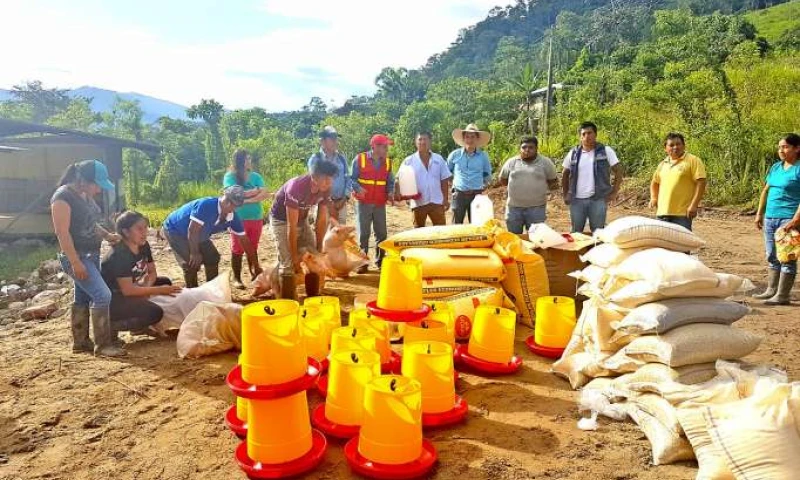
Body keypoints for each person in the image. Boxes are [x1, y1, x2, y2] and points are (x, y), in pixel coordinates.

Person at [51, 159, 126, 357]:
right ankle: (103, 345)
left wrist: (107, 236)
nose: (99, 191)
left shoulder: (83, 195)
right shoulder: (62, 197)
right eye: (97, 185)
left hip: (91, 254)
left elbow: (90, 223)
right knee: (103, 295)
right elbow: (62, 233)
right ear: (83, 181)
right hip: (78, 256)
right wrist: (75, 262)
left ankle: (81, 342)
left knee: (83, 296)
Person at [101, 211, 182, 343]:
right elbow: (128, 290)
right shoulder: (119, 255)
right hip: (115, 299)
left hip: (131, 289)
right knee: (155, 313)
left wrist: (147, 287)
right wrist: (158, 290)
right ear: (126, 232)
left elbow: (152, 272)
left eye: (145, 227)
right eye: (139, 229)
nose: (144, 232)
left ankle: (138, 326)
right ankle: (112, 326)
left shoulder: (143, 246)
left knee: (164, 281)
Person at [161, 186, 261, 288]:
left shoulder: (232, 217)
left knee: (212, 257)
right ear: (225, 199)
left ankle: (211, 289)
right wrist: (194, 253)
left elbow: (245, 241)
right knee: (191, 263)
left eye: (236, 206)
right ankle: (192, 292)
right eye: (231, 203)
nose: (233, 208)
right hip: (175, 229)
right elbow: (192, 230)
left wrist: (256, 266)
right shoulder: (206, 206)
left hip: (198, 234)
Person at [269, 160, 338, 297]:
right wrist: (294, 257)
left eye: (331, 179)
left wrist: (319, 250)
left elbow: (321, 221)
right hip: (281, 221)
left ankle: (312, 297)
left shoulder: (326, 189)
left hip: (302, 219)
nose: (329, 182)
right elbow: (291, 227)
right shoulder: (296, 187)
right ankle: (288, 302)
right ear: (314, 177)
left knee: (314, 258)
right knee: (288, 264)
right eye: (325, 179)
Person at [753, 133, 800, 305]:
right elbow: (766, 190)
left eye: (785, 146)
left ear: (797, 148)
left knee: (787, 256)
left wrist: (795, 220)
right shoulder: (776, 167)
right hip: (770, 217)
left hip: (788, 218)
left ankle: (782, 295)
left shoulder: (798, 169)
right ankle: (771, 289)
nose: (781, 150)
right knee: (771, 255)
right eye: (779, 147)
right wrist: (760, 213)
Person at [561, 121, 624, 233]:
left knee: (598, 232)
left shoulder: (605, 151)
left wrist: (614, 192)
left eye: (589, 133)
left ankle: (597, 250)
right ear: (580, 137)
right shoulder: (573, 153)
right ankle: (579, 251)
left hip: (598, 199)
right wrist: (566, 194)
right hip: (577, 200)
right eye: (583, 134)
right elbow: (565, 174)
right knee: (576, 232)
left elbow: (618, 171)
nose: (586, 137)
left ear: (595, 134)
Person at [223, 149, 269, 289]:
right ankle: (237, 278)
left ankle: (254, 272)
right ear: (240, 161)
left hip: (256, 217)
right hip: (238, 217)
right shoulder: (230, 176)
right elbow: (232, 194)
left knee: (253, 246)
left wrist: (245, 199)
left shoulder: (256, 176)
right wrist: (253, 192)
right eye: (247, 159)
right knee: (237, 248)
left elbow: (264, 193)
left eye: (250, 158)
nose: (249, 161)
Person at [351, 134, 396, 272]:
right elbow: (351, 179)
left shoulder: (388, 162)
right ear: (374, 146)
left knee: (381, 234)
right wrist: (358, 188)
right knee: (363, 233)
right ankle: (362, 263)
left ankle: (380, 262)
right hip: (363, 203)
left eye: (387, 146)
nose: (386, 149)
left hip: (379, 203)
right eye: (384, 146)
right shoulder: (360, 159)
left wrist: (390, 192)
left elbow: (390, 181)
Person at [499, 136, 558, 234]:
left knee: (536, 240)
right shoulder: (511, 162)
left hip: (537, 208)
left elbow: (553, 181)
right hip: (514, 208)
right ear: (520, 148)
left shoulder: (545, 162)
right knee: (514, 238)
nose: (527, 150)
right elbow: (503, 179)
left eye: (531, 147)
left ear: (536, 148)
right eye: (524, 147)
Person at [649, 133, 707, 231]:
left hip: (682, 214)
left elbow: (701, 182)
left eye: (678, 144)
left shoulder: (693, 160)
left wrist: (694, 205)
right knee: (662, 243)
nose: (675, 147)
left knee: (682, 244)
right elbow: (655, 182)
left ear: (684, 145)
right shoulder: (663, 164)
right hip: (662, 213)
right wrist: (654, 198)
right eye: (671, 145)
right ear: (665, 148)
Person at [398, 132, 451, 228]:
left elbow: (444, 180)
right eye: (420, 139)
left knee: (441, 231)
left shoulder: (438, 159)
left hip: (437, 201)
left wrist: (445, 199)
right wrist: (405, 195)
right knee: (418, 232)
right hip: (418, 203)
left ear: (430, 141)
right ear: (415, 142)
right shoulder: (408, 161)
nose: (422, 142)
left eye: (425, 139)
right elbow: (399, 179)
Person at [447, 123, 493, 224]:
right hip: (459, 194)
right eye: (467, 136)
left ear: (477, 139)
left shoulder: (483, 156)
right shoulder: (455, 155)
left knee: (476, 224)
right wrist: (454, 184)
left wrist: (483, 186)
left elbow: (487, 174)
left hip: (476, 195)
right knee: (456, 225)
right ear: (464, 138)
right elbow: (447, 171)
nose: (470, 139)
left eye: (473, 136)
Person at [308, 126, 351, 225]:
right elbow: (313, 183)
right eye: (332, 139)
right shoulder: (315, 159)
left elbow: (348, 178)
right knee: (323, 234)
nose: (335, 141)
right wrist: (329, 203)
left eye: (336, 139)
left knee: (339, 235)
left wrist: (345, 198)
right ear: (322, 141)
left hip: (341, 204)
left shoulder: (341, 158)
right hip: (322, 204)